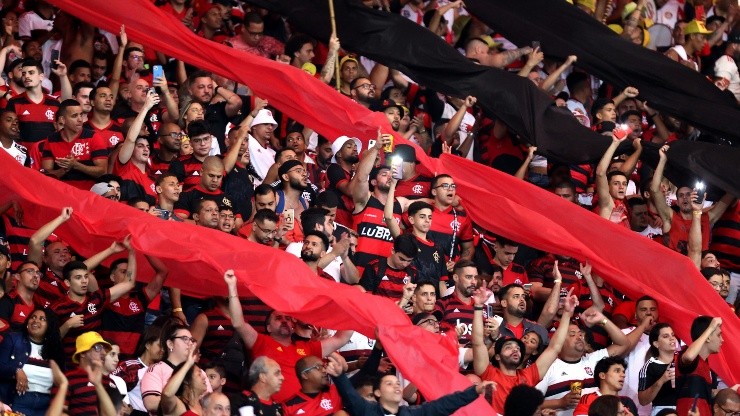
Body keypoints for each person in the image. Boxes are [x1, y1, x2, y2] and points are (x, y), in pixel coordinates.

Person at [224, 270, 352, 402]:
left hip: (306, 409)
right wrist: (232, 287)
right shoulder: (260, 341)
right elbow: (238, 323)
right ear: (268, 327)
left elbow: (341, 338)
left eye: (288, 318)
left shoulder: (308, 348)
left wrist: (352, 306)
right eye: (278, 318)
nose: (285, 321)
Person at [472, 285, 577, 414]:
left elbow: (554, 348)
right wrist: (478, 307)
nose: (515, 350)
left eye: (518, 348)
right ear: (497, 356)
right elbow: (478, 344)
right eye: (508, 347)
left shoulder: (528, 375)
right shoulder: (489, 373)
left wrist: (567, 314)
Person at [325, 352, 495, 416]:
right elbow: (350, 396)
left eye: (396, 383)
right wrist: (340, 377)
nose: (397, 386)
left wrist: (474, 391)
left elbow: (444, 405)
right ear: (377, 393)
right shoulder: (367, 411)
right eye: (389, 384)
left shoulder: (412, 413)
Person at [0, 308, 62, 416]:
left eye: (42, 319)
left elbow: (61, 380)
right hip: (19, 401)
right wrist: (16, 371)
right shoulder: (13, 339)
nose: (36, 321)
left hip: (47, 405)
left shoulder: (55, 349)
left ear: (49, 325)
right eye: (33, 317)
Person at [40, 99, 108, 190]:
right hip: (62, 195)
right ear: (62, 120)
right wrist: (64, 169)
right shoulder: (51, 140)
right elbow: (46, 173)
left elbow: (103, 171)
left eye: (81, 115)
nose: (80, 119)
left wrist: (76, 165)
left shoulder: (93, 137)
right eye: (74, 116)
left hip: (88, 196)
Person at [675, 316, 723, 416]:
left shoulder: (706, 364)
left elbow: (703, 393)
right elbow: (688, 356)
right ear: (708, 337)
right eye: (719, 335)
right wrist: (711, 327)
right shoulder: (687, 354)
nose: (722, 340)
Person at [65, 331, 120, 416]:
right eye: (98, 347)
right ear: (83, 353)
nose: (104, 353)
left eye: (104, 348)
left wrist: (98, 385)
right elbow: (59, 412)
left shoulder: (109, 382)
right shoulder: (68, 379)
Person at [638, 323, 677, 416]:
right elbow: (643, 400)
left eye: (673, 335)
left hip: (683, 408)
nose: (672, 338)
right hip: (661, 411)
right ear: (656, 343)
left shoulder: (681, 362)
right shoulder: (649, 366)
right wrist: (662, 380)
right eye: (666, 336)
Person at [435, 259, 478, 344]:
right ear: (456, 278)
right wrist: (451, 337)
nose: (473, 282)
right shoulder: (441, 304)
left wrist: (493, 336)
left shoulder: (482, 307)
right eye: (468, 277)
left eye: (475, 278)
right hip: (451, 355)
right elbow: (434, 337)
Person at [160, 346, 208, 416]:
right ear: (186, 380)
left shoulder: (204, 405)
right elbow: (167, 394)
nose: (204, 377)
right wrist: (188, 363)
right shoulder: (177, 405)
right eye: (199, 374)